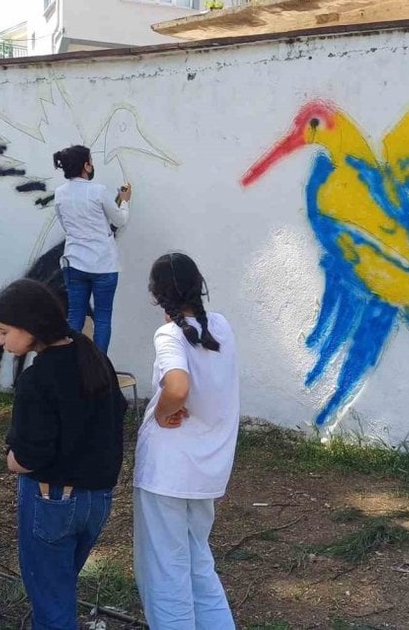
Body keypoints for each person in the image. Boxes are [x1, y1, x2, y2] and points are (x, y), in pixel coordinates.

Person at [0, 278, 128, 629]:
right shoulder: (93, 356)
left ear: (31, 325)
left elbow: (30, 455)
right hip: (96, 499)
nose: (0, 341)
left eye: (5, 331)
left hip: (51, 499)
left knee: (52, 604)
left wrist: (11, 460)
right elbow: (118, 415)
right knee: (61, 587)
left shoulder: (37, 379)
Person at [133, 253, 240, 629]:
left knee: (165, 571)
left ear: (155, 295)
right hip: (208, 467)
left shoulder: (169, 334)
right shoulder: (222, 327)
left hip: (167, 470)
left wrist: (163, 411)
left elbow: (177, 387)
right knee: (198, 564)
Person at [52, 145, 132, 354]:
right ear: (86, 166)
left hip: (74, 262)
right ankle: (99, 369)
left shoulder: (60, 194)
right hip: (103, 264)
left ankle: (70, 365)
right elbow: (120, 220)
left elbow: (65, 224)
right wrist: (124, 202)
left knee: (74, 317)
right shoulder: (98, 191)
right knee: (103, 318)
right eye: (91, 161)